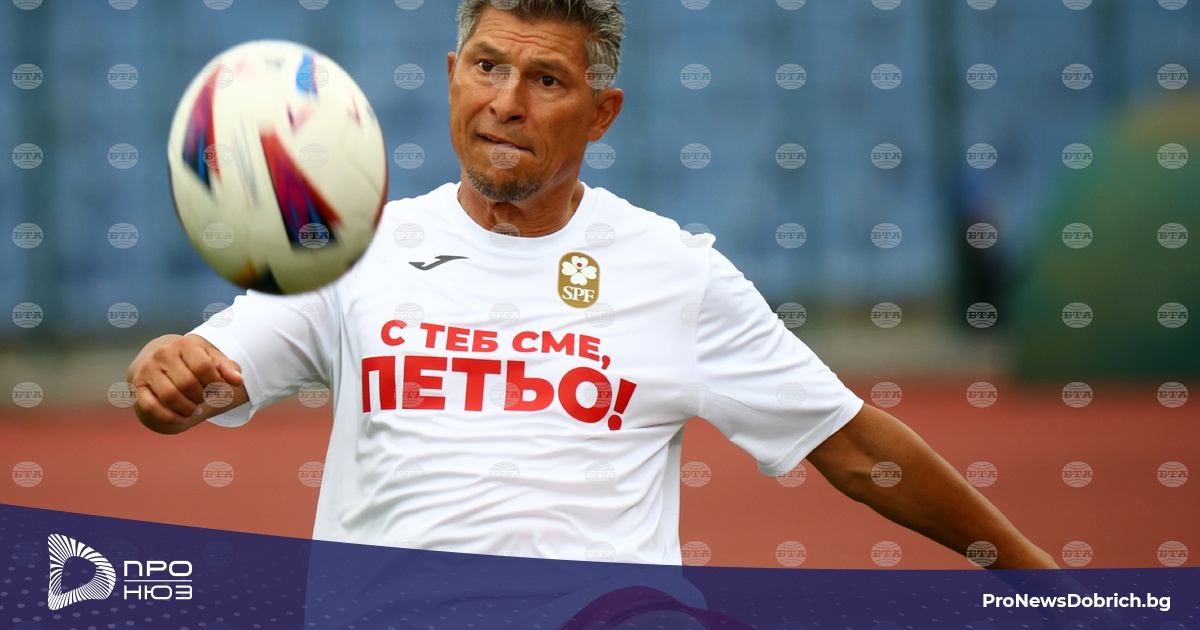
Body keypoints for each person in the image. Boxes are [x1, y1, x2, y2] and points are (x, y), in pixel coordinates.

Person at [129, 0, 1056, 570]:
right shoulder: (359, 249)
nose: (506, 102)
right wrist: (169, 371)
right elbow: (207, 374)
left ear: (601, 113)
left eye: (545, 79)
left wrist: (1035, 577)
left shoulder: (675, 273)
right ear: (452, 77)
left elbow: (849, 447)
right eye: (488, 67)